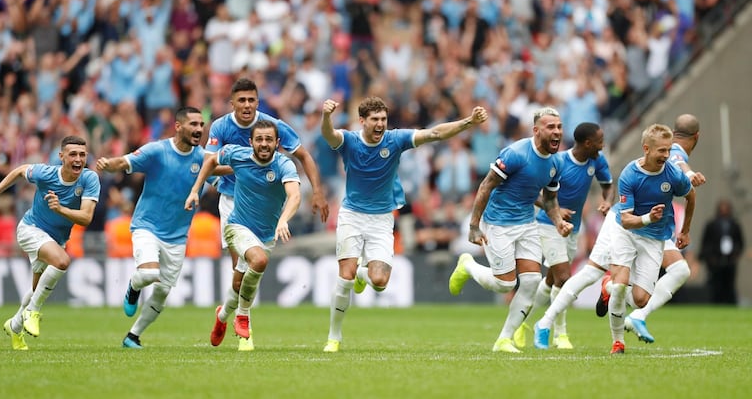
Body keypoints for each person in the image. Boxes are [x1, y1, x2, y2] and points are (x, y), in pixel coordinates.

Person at [321, 96, 488, 352]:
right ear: (362, 121)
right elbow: (329, 135)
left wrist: (468, 122)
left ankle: (362, 275)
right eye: (374, 119)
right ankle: (334, 336)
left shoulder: (394, 139)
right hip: (352, 215)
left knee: (380, 281)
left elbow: (434, 134)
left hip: (382, 219)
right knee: (345, 276)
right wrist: (326, 117)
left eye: (383, 120)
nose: (380, 124)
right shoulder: (350, 141)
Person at [189, 77, 328, 351]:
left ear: (257, 102)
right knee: (244, 265)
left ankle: (222, 316)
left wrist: (319, 192)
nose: (247, 105)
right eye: (241, 100)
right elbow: (208, 164)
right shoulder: (220, 127)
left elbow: (304, 156)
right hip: (232, 200)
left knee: (245, 274)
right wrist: (242, 171)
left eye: (251, 100)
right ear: (233, 104)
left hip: (266, 205)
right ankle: (245, 331)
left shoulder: (272, 127)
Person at [448, 106, 573, 354]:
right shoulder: (516, 153)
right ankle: (468, 265)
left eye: (559, 127)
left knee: (531, 281)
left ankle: (503, 340)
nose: (557, 132)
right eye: (551, 127)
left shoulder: (556, 162)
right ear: (536, 131)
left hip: (527, 223)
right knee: (506, 284)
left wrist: (558, 220)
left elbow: (548, 199)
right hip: (498, 223)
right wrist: (474, 225)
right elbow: (486, 185)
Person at [0, 136, 100, 351]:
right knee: (62, 261)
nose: (78, 159)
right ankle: (33, 311)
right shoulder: (46, 173)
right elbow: (20, 170)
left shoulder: (89, 179)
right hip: (31, 229)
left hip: (56, 239)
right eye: (73, 154)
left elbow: (86, 217)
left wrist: (60, 209)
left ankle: (15, 325)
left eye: (82, 154)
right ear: (61, 156)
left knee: (36, 288)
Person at [96, 107, 212, 349]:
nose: (199, 130)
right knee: (149, 274)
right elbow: (126, 161)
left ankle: (133, 336)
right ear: (178, 127)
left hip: (178, 237)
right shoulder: (157, 150)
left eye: (201, 125)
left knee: (161, 294)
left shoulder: (203, 158)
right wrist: (108, 164)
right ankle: (133, 287)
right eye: (193, 124)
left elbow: (222, 178)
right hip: (147, 226)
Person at [193, 119, 301, 348]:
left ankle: (222, 316)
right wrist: (196, 190)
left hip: (266, 235)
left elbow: (295, 195)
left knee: (239, 283)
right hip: (237, 227)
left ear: (277, 142)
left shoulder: (284, 165)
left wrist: (283, 219)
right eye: (259, 139)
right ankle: (242, 315)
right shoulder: (236, 154)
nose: (264, 144)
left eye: (269, 139)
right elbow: (210, 159)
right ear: (250, 141)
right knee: (259, 260)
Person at [512, 122, 614, 350]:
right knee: (564, 277)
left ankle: (522, 323)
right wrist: (555, 210)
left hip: (572, 229)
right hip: (548, 225)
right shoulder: (558, 162)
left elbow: (608, 184)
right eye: (599, 141)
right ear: (587, 143)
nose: (603, 145)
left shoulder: (597, 160)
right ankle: (559, 334)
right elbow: (535, 193)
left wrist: (607, 201)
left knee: (551, 281)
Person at [605, 123, 695, 354]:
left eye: (668, 150)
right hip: (627, 231)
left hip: (654, 238)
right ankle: (618, 342)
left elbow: (691, 196)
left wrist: (685, 230)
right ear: (646, 148)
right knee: (619, 287)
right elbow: (625, 220)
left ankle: (609, 285)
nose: (666, 156)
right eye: (661, 151)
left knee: (640, 300)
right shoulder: (629, 174)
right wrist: (647, 218)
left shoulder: (673, 174)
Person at [699, 199, 745, 304]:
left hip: (730, 259)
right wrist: (709, 258)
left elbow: (740, 242)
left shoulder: (734, 225)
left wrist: (735, 255)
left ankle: (730, 302)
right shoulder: (711, 224)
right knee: (715, 283)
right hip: (715, 259)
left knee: (729, 283)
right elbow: (706, 242)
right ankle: (715, 302)